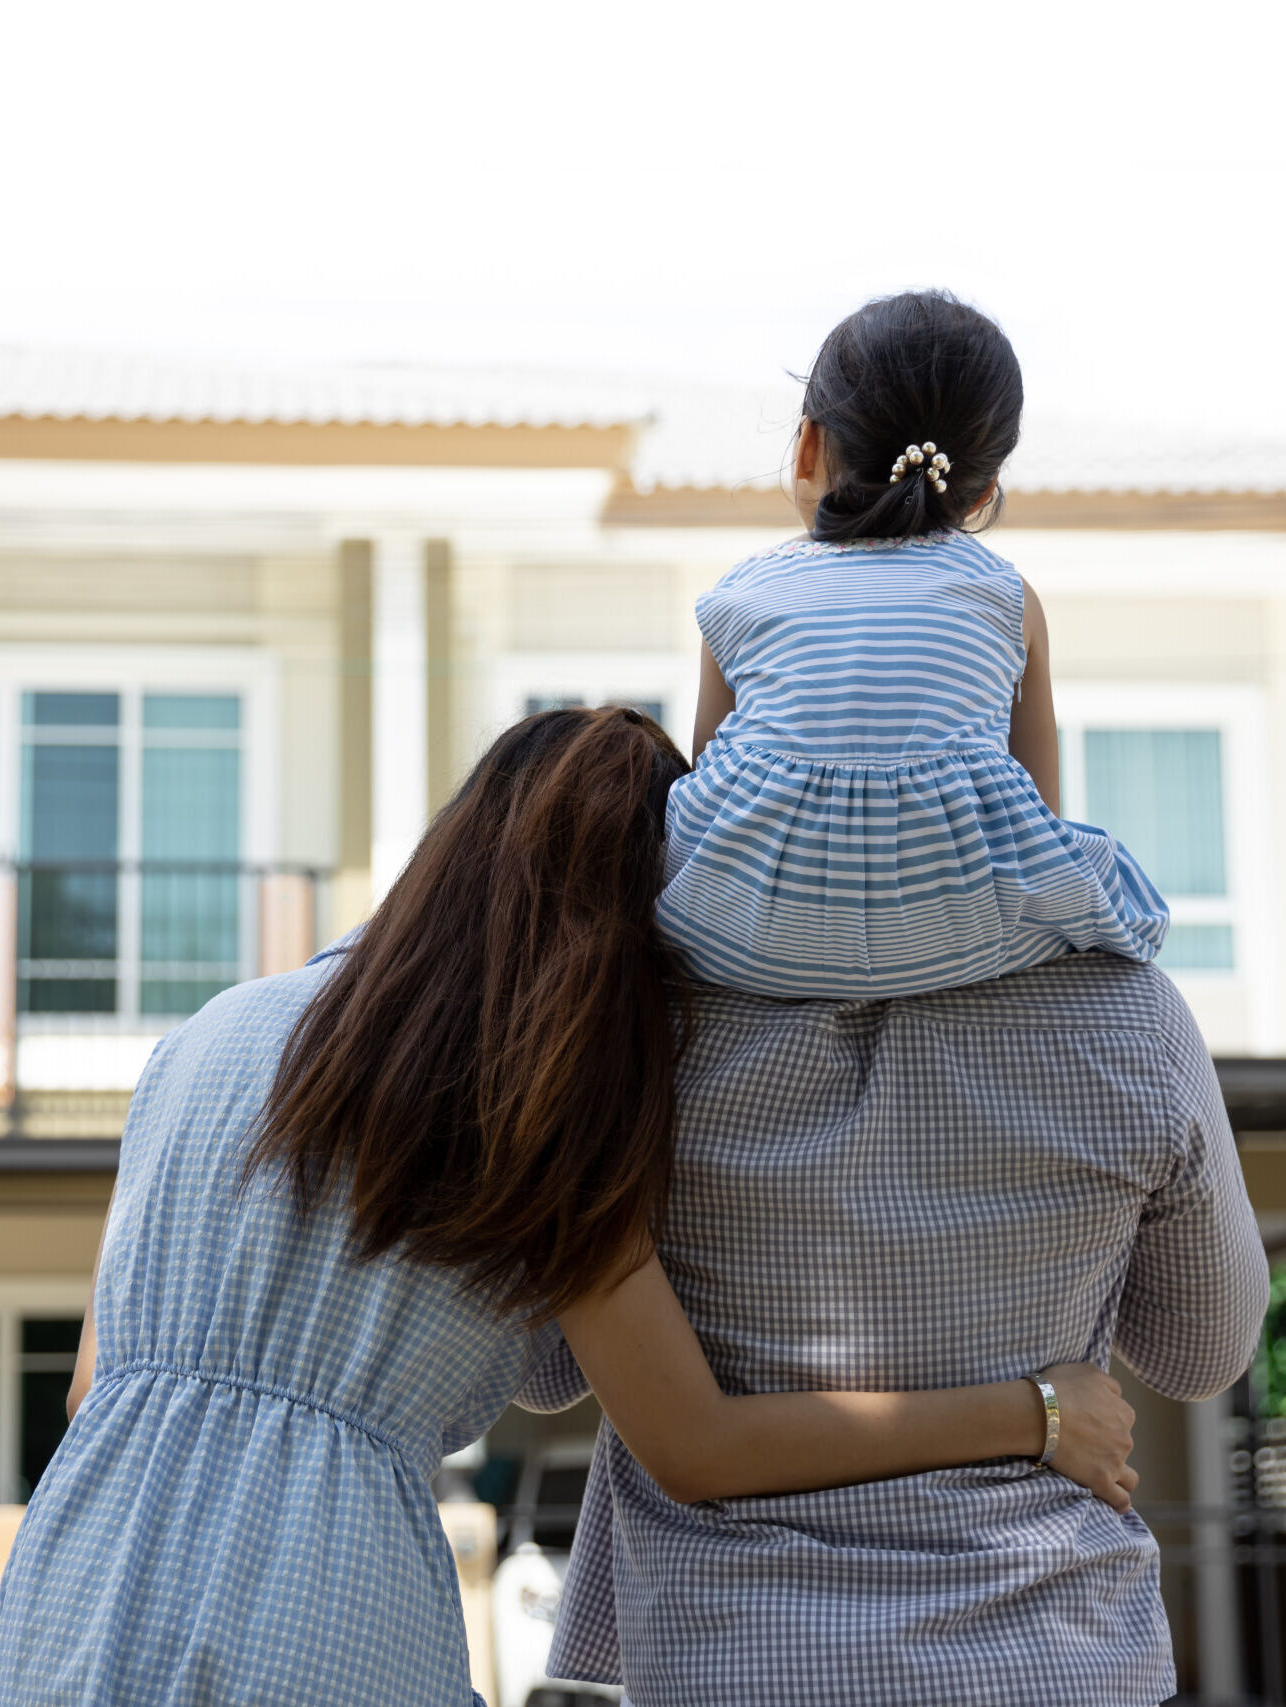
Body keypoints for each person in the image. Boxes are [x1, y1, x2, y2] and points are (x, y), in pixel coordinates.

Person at [0, 708, 1135, 1707]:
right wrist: (1036, 1411)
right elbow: (697, 1445)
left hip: (72, 1594)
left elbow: (90, 1387)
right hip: (322, 1608)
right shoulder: (536, 1100)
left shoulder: (207, 1034)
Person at [536, 301, 1271, 1706]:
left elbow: (544, 1369)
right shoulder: (1126, 1025)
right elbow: (1197, 1348)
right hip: (1046, 1660)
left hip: (733, 1662)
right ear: (987, 487)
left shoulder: (631, 1040)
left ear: (807, 445)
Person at [657, 289, 1169, 998]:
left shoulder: (740, 595)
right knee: (1108, 872)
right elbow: (1038, 812)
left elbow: (708, 793)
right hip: (963, 934)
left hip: (740, 941)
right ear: (984, 488)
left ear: (806, 446)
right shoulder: (1006, 597)